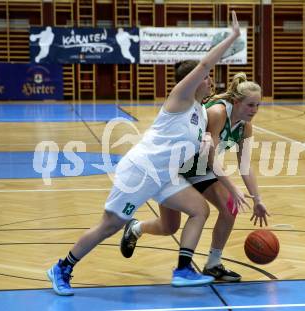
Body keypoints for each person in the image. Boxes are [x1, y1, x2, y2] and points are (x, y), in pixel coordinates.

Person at [47, 11, 248, 295]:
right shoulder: (179, 99)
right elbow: (204, 64)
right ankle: (62, 267)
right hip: (140, 171)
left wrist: (204, 143)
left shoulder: (200, 113)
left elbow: (197, 141)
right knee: (109, 226)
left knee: (199, 210)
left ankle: (183, 270)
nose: (210, 81)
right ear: (193, 81)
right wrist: (233, 37)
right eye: (207, 78)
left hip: (164, 176)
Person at [120, 72, 269, 282]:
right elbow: (211, 159)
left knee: (230, 207)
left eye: (257, 106)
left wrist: (258, 200)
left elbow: (245, 166)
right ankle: (136, 228)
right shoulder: (218, 113)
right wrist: (234, 188)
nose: (254, 111)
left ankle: (213, 264)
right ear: (236, 102)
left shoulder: (245, 126)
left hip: (199, 169)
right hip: (175, 167)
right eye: (250, 105)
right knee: (169, 226)